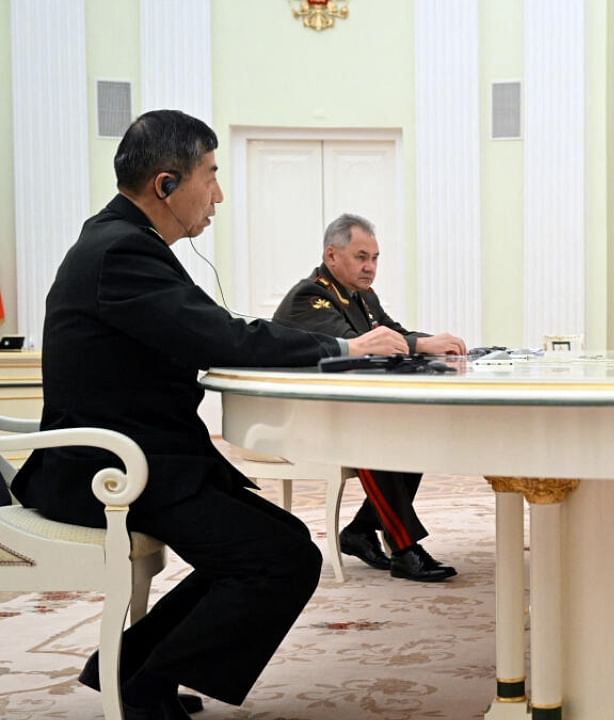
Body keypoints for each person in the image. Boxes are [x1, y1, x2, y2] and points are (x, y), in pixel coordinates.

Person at [9, 110, 409, 719]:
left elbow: (215, 332)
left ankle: (131, 666)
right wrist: (343, 348)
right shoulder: (122, 251)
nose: (218, 194)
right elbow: (222, 338)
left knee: (282, 547)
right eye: (211, 175)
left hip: (141, 458)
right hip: (108, 471)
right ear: (166, 184)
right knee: (278, 559)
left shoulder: (122, 240)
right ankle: (141, 682)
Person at [273, 213, 465, 583]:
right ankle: (404, 549)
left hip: (343, 412)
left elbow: (394, 334)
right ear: (332, 256)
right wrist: (423, 345)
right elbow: (359, 349)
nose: (370, 267)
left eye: (375, 258)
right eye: (362, 257)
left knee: (409, 434)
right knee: (375, 437)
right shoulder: (310, 297)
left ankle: (359, 533)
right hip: (302, 418)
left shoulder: (363, 296)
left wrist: (439, 345)